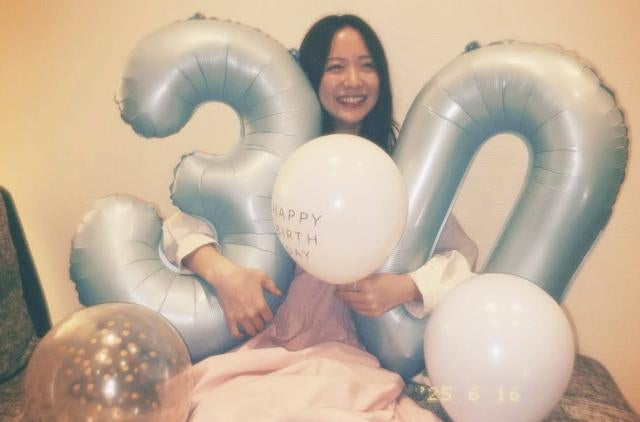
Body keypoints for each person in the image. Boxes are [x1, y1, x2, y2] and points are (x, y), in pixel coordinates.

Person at [163, 14, 477, 420]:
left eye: (367, 66)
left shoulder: (400, 171)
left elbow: (461, 257)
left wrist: (405, 287)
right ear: (312, 77)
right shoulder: (279, 160)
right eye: (335, 67)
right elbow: (179, 228)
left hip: (350, 357)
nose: (353, 81)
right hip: (266, 350)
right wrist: (225, 275)